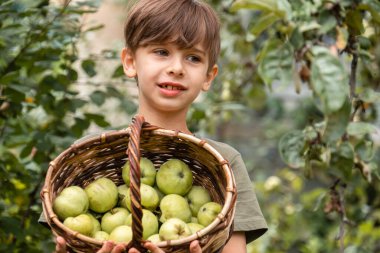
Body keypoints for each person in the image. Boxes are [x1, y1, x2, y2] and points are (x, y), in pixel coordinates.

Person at [51, 0, 268, 252]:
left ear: (209, 76)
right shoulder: (86, 154)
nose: (176, 68)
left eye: (193, 57)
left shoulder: (224, 163)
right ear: (130, 62)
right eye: (161, 52)